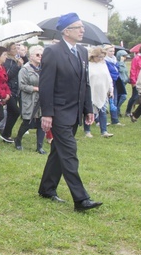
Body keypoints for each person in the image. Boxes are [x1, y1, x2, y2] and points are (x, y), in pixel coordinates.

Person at [38, 13, 103, 212]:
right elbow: (46, 85)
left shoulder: (82, 52)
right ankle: (81, 199)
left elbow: (85, 82)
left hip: (74, 112)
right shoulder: (53, 52)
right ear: (67, 31)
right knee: (69, 153)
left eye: (82, 27)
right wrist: (47, 113)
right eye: (78, 27)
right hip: (58, 112)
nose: (82, 30)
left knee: (59, 152)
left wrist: (87, 109)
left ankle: (47, 189)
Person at [14, 45, 46, 154]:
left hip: (42, 100)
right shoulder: (25, 69)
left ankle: (39, 147)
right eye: (37, 55)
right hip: (29, 99)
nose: (40, 57)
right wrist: (35, 88)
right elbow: (22, 86)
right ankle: (18, 140)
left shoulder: (44, 68)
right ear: (31, 56)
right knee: (27, 122)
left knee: (42, 122)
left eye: (42, 55)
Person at [83, 47, 114, 138]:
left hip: (103, 91)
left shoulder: (103, 64)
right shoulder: (88, 65)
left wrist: (110, 89)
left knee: (103, 112)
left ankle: (104, 131)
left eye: (102, 57)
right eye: (99, 57)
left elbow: (108, 78)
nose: (101, 59)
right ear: (94, 56)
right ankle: (87, 131)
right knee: (89, 112)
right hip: (91, 92)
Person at [0, 42, 23, 143]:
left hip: (15, 89)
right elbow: (7, 75)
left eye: (17, 48)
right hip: (9, 89)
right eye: (13, 49)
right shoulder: (7, 61)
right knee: (15, 111)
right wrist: (17, 66)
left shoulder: (16, 59)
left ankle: (6, 133)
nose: (16, 50)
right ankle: (5, 133)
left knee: (11, 112)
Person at [126, 44, 141, 117]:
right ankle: (128, 111)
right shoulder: (137, 58)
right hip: (138, 80)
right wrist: (133, 81)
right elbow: (133, 69)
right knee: (135, 96)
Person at [115, 49, 130, 117]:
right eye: (123, 56)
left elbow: (125, 73)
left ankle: (117, 111)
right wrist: (120, 62)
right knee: (123, 96)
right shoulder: (117, 63)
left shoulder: (124, 64)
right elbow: (119, 70)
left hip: (124, 82)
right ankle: (116, 109)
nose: (125, 58)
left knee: (120, 97)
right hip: (119, 83)